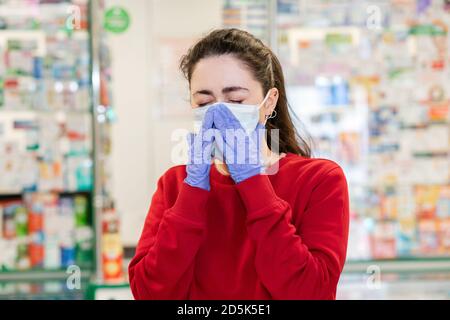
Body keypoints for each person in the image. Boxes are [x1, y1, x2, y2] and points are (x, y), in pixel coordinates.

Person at [128, 28, 349, 300]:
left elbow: (311, 292)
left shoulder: (319, 180)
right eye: (204, 101)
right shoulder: (174, 185)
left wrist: (253, 181)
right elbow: (149, 293)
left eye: (235, 100)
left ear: (269, 103)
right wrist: (193, 192)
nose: (218, 113)